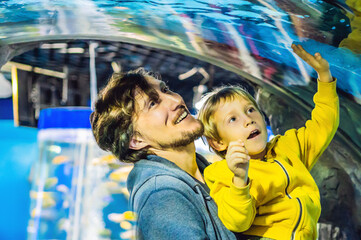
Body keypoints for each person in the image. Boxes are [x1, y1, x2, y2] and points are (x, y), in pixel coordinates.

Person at [197, 43, 339, 240]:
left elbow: (324, 124)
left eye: (250, 110)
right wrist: (239, 180)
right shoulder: (221, 173)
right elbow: (237, 222)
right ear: (218, 142)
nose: (248, 119)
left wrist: (324, 77)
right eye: (233, 119)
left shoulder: (288, 146)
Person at [90, 69, 236, 239]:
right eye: (152, 103)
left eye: (165, 89)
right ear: (136, 140)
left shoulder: (204, 171)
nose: (176, 100)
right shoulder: (161, 195)